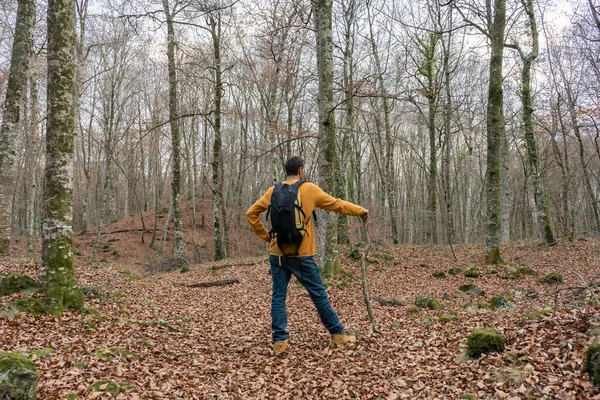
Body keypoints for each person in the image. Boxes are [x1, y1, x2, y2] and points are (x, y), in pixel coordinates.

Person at [245, 156, 369, 355]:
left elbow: (251, 213)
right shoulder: (309, 189)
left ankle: (280, 342)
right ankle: (337, 335)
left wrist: (266, 237)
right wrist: (360, 211)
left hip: (277, 254)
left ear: (286, 171)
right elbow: (337, 204)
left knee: (278, 296)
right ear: (301, 170)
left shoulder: (273, 191)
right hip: (302, 254)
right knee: (318, 295)